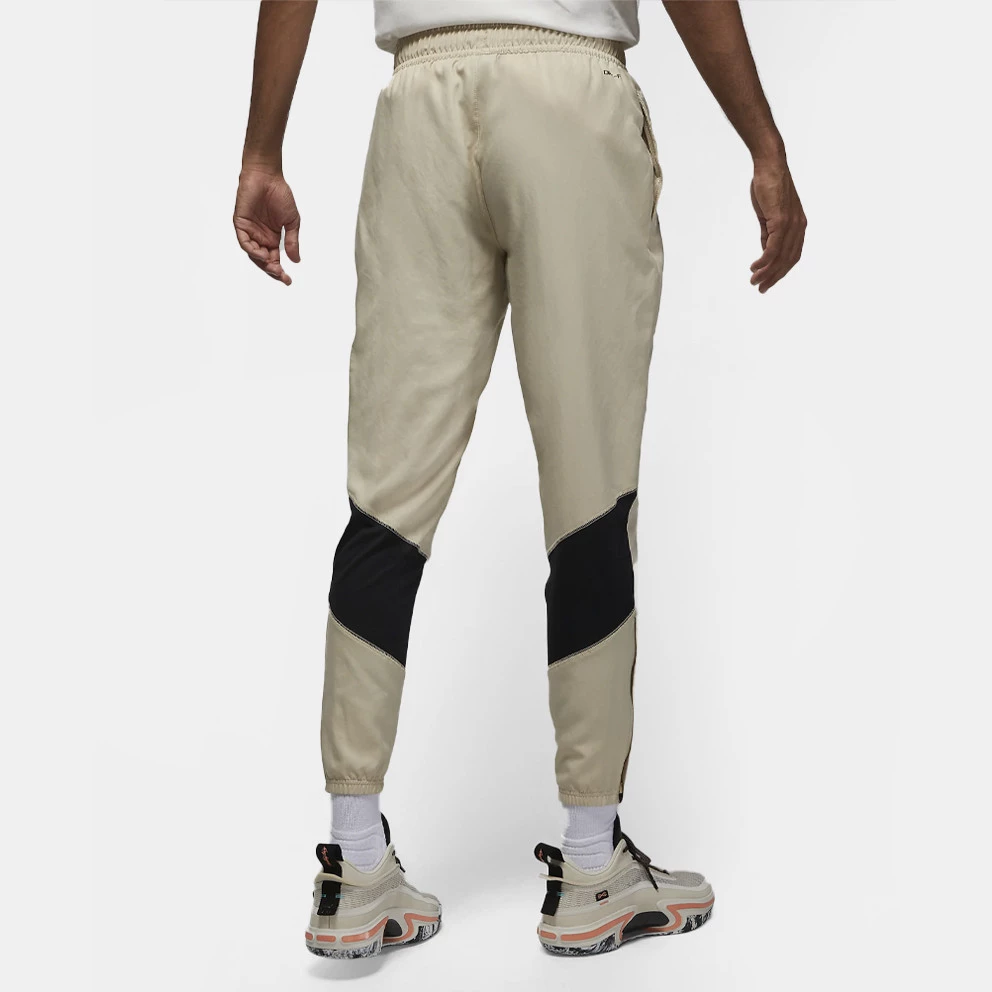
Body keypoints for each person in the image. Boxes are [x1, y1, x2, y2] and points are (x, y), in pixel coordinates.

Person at [234, 0, 806, 959]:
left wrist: (262, 149)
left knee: (384, 500)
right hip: (566, 87)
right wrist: (765, 147)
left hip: (419, 100)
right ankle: (590, 866)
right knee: (591, 491)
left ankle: (354, 862)